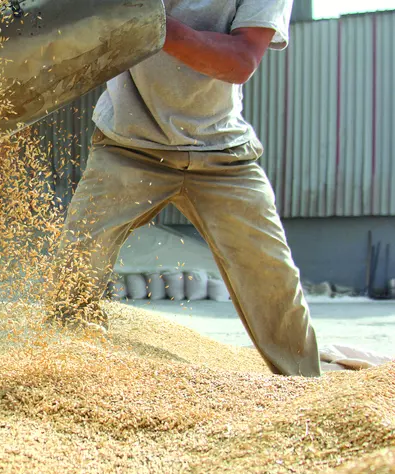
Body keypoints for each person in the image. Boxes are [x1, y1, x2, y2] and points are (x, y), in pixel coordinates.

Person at [45, 0, 322, 377]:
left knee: (274, 278)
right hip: (128, 144)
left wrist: (146, 20)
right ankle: (58, 373)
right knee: (77, 260)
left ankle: (305, 390)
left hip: (222, 154)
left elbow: (241, 61)